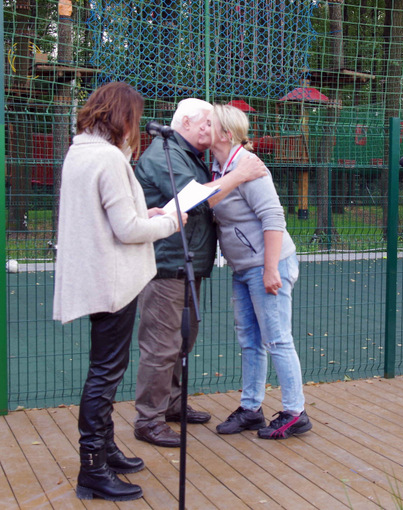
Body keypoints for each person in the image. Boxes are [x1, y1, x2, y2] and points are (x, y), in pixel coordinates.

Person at [52, 82, 185, 501]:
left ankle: (105, 450)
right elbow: (126, 230)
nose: (137, 127)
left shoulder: (80, 151)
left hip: (96, 274)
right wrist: (171, 222)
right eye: (135, 119)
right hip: (111, 280)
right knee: (105, 373)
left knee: (104, 368)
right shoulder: (109, 158)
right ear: (123, 117)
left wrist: (147, 212)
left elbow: (109, 216)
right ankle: (92, 467)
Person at [132, 98, 268, 447]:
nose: (212, 128)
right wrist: (240, 175)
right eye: (207, 122)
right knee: (161, 344)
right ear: (187, 123)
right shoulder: (165, 154)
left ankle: (172, 404)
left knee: (182, 337)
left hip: (187, 263)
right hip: (166, 265)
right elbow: (190, 199)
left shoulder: (187, 155)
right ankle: (148, 420)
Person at [210, 104, 312, 439]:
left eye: (210, 124)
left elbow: (273, 217)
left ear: (226, 134)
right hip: (243, 268)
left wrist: (271, 269)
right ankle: (251, 409)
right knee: (250, 340)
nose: (204, 127)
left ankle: (295, 413)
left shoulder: (250, 166)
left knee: (277, 339)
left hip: (268, 264)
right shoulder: (218, 167)